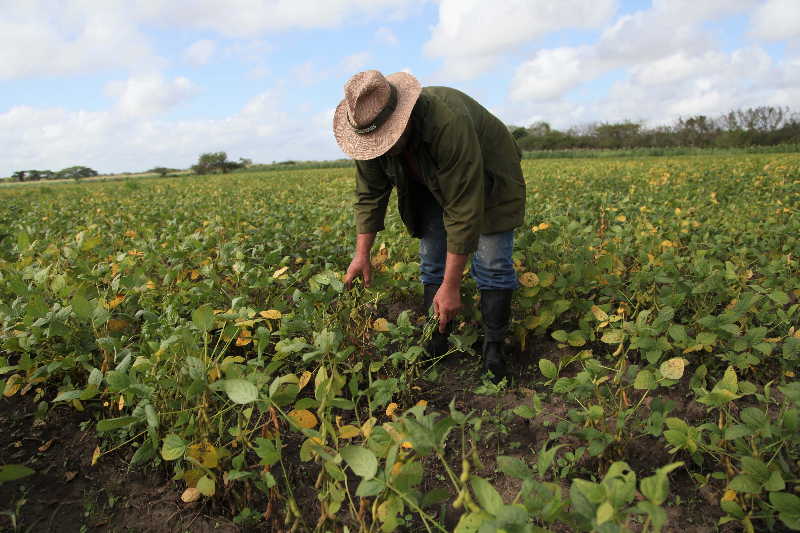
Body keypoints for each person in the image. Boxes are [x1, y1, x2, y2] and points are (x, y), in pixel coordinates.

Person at [333, 70, 526, 381]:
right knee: (431, 261)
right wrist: (361, 254)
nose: (382, 146)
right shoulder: (368, 134)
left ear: (403, 117)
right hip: (424, 179)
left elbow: (463, 209)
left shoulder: (447, 122)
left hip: (489, 175)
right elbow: (369, 195)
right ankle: (437, 337)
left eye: (388, 139)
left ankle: (494, 347)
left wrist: (451, 287)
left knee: (492, 262)